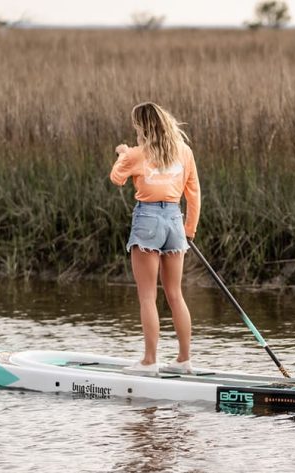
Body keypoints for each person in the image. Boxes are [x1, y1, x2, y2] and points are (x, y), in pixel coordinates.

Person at [110, 102, 201, 375]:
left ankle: (150, 361)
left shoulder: (137, 154)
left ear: (142, 127)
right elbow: (193, 192)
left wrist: (122, 154)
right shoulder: (184, 152)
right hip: (175, 220)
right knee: (175, 294)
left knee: (148, 297)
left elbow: (116, 178)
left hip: (148, 220)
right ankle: (184, 360)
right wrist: (189, 229)